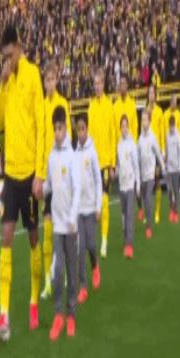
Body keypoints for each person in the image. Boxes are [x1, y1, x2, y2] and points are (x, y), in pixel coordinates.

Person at [0, 25, 45, 341]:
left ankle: (34, 301)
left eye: (9, 55)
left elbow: (41, 125)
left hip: (30, 176)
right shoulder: (7, 83)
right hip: (11, 174)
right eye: (4, 57)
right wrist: (2, 85)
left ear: (19, 47)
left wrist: (40, 172)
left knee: (34, 240)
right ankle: (4, 315)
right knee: (6, 237)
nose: (7, 61)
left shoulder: (33, 75)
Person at [43, 106, 80, 341]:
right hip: (57, 223)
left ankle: (71, 313)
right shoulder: (51, 156)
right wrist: (41, 188)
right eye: (54, 129)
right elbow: (49, 185)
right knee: (57, 270)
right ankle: (58, 313)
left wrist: (73, 216)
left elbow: (77, 189)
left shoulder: (71, 156)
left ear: (66, 128)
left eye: (60, 128)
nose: (57, 133)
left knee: (71, 269)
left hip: (70, 224)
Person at [41, 61, 72, 299]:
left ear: (56, 80)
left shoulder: (62, 104)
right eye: (46, 80)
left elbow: (67, 139)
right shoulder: (41, 106)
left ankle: (64, 273)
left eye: (52, 80)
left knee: (64, 230)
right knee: (48, 231)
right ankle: (48, 282)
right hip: (46, 173)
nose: (49, 83)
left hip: (61, 172)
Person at [88, 68, 116, 258]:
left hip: (105, 162)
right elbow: (89, 136)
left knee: (104, 201)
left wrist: (113, 163)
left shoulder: (109, 106)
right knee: (93, 204)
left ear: (103, 84)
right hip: (92, 164)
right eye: (95, 84)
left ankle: (104, 240)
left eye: (99, 83)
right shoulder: (91, 107)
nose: (97, 87)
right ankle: (94, 237)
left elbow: (113, 135)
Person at [75, 113, 101, 304]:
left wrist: (98, 205)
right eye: (78, 129)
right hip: (78, 210)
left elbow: (98, 180)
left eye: (83, 128)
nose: (81, 132)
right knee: (79, 249)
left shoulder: (92, 152)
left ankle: (95, 265)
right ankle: (83, 287)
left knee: (91, 245)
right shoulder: (74, 153)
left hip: (90, 207)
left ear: (87, 129)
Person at [138, 109, 166, 239]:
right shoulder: (140, 139)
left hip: (150, 174)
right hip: (142, 174)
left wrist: (163, 167)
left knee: (148, 198)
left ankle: (149, 227)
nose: (143, 122)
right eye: (142, 119)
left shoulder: (152, 137)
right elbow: (138, 156)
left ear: (149, 121)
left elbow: (158, 153)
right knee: (144, 199)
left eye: (145, 119)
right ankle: (146, 215)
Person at [117, 115, 140, 259]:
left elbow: (136, 165)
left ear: (128, 127)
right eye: (122, 126)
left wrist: (138, 183)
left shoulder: (132, 144)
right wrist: (115, 172)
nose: (124, 128)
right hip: (122, 185)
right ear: (120, 128)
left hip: (131, 184)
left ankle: (129, 245)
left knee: (130, 214)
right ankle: (126, 239)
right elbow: (119, 165)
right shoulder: (118, 145)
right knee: (124, 215)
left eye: (126, 125)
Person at [146, 85, 165, 225]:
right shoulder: (145, 112)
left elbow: (162, 131)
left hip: (156, 151)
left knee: (157, 181)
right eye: (149, 93)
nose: (151, 95)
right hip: (147, 152)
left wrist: (163, 150)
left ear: (156, 95)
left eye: (153, 92)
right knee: (148, 184)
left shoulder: (159, 111)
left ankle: (157, 211)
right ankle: (148, 211)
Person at [165, 116, 180, 223]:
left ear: (174, 125)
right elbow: (167, 149)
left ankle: (176, 213)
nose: (171, 128)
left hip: (176, 168)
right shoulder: (167, 135)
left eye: (173, 126)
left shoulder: (178, 136)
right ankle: (171, 210)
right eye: (170, 126)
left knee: (176, 190)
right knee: (169, 190)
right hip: (169, 167)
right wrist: (166, 163)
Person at [113, 73, 138, 145]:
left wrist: (134, 143)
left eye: (124, 84)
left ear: (127, 85)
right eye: (121, 84)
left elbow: (135, 126)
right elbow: (114, 128)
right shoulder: (115, 106)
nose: (122, 86)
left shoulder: (132, 104)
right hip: (119, 144)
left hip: (130, 144)